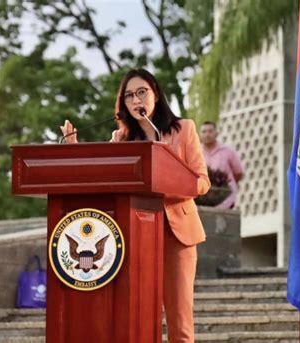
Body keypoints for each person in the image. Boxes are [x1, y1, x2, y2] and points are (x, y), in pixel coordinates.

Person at [61, 68, 211, 342]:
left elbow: (202, 182)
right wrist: (75, 148)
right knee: (137, 317)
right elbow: (102, 177)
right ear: (123, 104)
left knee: (180, 322)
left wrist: (169, 184)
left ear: (155, 94)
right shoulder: (120, 139)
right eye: (129, 95)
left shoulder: (183, 129)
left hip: (177, 234)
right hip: (135, 235)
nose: (136, 99)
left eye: (142, 92)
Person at [200, 121, 244, 209]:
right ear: (199, 134)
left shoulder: (228, 151)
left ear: (216, 133)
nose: (207, 134)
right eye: (204, 131)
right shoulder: (195, 152)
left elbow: (238, 173)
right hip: (202, 198)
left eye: (210, 131)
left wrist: (226, 186)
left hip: (225, 198)